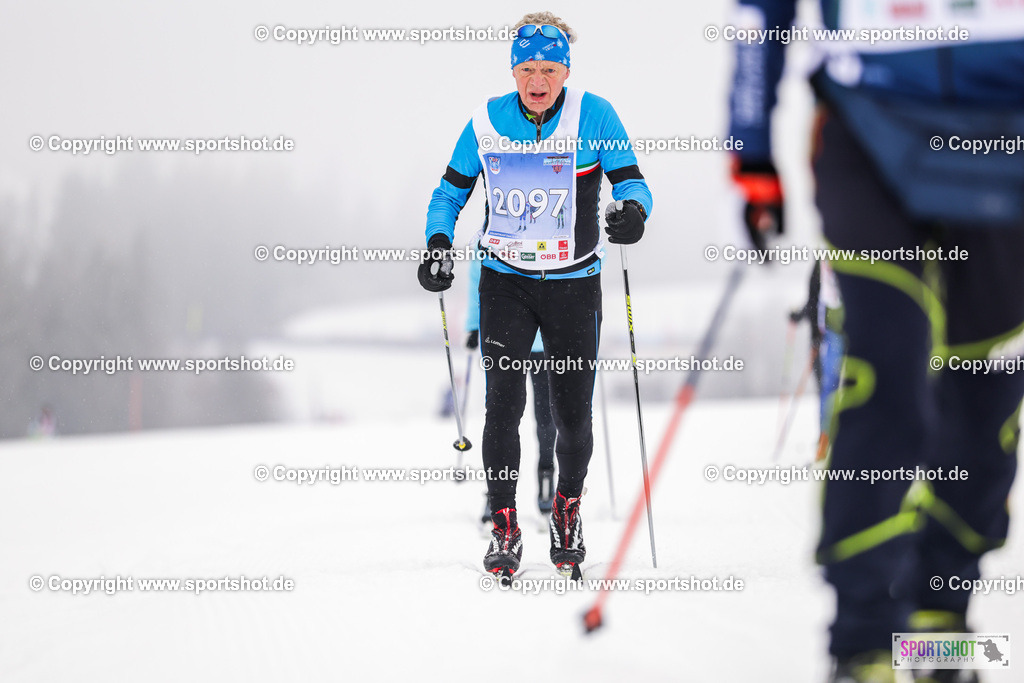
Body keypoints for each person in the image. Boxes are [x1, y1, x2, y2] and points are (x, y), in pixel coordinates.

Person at [728, 3, 1024, 681]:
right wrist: (752, 149)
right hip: (869, 125)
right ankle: (863, 640)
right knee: (888, 374)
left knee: (986, 401)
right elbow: (758, 15)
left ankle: (940, 626)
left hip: (1005, 141)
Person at [418, 11, 653, 580]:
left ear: (566, 71)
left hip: (575, 283)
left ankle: (567, 512)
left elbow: (632, 182)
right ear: (514, 71)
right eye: (527, 69)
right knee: (503, 406)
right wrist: (438, 243)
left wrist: (633, 213)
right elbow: (447, 195)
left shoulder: (594, 115)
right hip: (506, 282)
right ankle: (504, 524)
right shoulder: (486, 122)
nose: (538, 80)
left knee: (572, 414)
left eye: (549, 69)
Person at [465, 254, 557, 519]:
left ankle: (546, 478)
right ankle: (497, 494)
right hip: (505, 337)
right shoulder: (490, 238)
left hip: (544, 342)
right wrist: (473, 325)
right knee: (501, 417)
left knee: (545, 417)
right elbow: (478, 280)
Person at [789, 259, 844, 461]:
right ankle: (825, 439)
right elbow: (814, 298)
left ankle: (843, 440)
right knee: (828, 385)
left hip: (850, 330)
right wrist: (800, 316)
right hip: (828, 333)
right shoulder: (820, 264)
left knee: (841, 384)